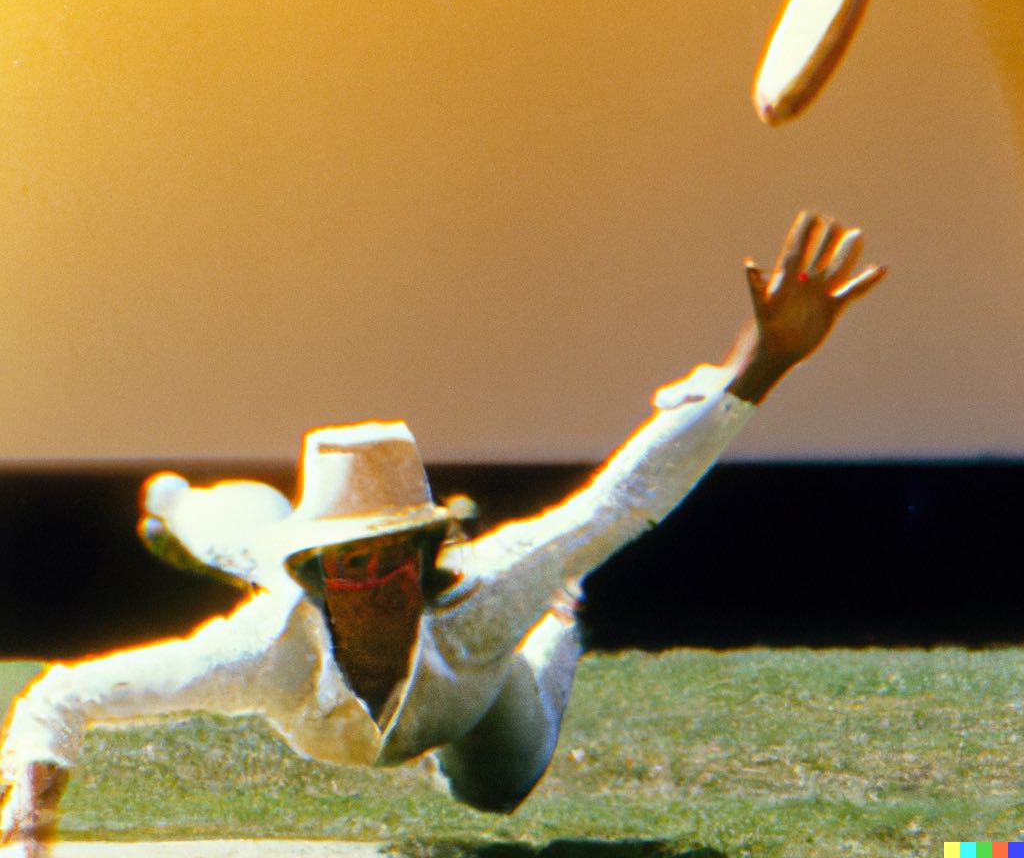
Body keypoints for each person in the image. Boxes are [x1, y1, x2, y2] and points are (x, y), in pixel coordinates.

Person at [0, 212, 885, 855]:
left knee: (496, 792)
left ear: (429, 562)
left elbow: (626, 494)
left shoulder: (490, 593)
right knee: (242, 541)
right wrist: (27, 836)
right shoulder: (264, 649)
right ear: (318, 583)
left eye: (398, 561)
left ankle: (563, 611)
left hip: (481, 691)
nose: (382, 585)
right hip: (285, 584)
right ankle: (181, 503)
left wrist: (759, 363)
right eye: (353, 566)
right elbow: (58, 697)